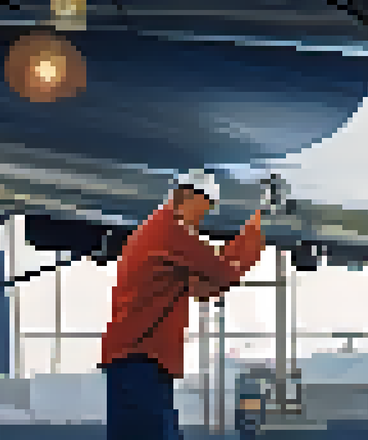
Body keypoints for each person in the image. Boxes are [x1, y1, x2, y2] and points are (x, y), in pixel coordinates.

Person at [101, 178, 265, 440]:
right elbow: (223, 272)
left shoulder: (157, 232)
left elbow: (205, 288)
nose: (201, 219)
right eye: (204, 209)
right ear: (188, 198)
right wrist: (257, 228)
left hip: (138, 357)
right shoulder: (171, 233)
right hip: (140, 356)